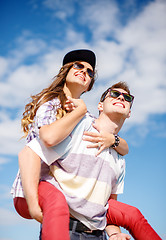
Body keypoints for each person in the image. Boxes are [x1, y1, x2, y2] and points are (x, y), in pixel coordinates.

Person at [17, 82, 161, 240]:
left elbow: (106, 208)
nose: (121, 97)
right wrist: (32, 203)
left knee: (135, 215)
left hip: (97, 235)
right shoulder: (79, 127)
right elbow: (29, 153)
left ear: (129, 114)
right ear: (100, 105)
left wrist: (115, 234)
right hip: (66, 230)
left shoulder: (119, 157)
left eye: (127, 98)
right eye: (114, 94)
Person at [11, 50, 129, 240]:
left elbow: (120, 145)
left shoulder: (86, 117)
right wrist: (80, 109)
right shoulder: (51, 103)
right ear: (65, 71)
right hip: (38, 187)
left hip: (69, 197)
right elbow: (48, 138)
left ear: (90, 84)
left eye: (90, 72)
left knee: (132, 215)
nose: (84, 71)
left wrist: (115, 141)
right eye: (78, 65)